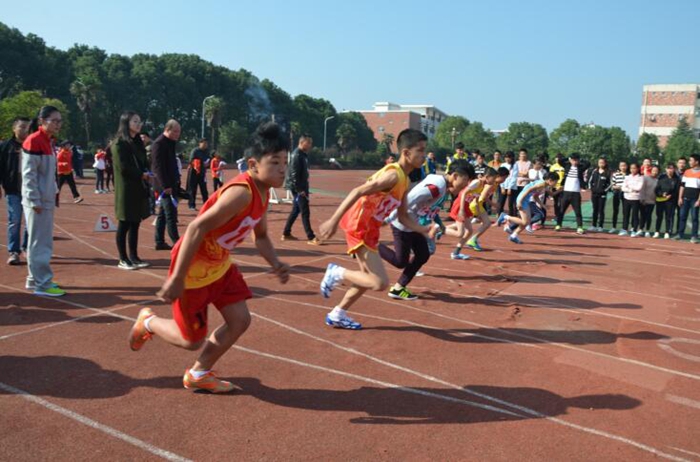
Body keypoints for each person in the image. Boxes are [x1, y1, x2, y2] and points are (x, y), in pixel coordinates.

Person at [128, 122, 291, 393]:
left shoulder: (262, 194)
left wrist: (276, 263)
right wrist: (178, 278)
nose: (283, 169)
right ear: (253, 164)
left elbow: (260, 236)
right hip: (192, 269)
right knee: (190, 339)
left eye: (285, 162)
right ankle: (148, 321)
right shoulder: (241, 193)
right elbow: (196, 227)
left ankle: (199, 373)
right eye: (275, 162)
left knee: (240, 320)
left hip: (220, 266)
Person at [318, 129, 435, 330]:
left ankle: (337, 314)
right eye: (421, 151)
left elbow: (403, 216)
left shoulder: (405, 180)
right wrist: (333, 220)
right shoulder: (393, 175)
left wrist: (423, 229)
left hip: (371, 230)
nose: (424, 155)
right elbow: (358, 190)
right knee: (379, 282)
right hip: (359, 226)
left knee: (366, 278)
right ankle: (336, 273)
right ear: (406, 152)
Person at [379, 160, 473, 300]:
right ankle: (371, 245)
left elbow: (429, 208)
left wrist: (439, 224)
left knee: (422, 254)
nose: (466, 185)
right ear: (455, 175)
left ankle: (399, 288)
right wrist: (388, 219)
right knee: (400, 262)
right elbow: (409, 199)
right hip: (403, 224)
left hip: (414, 225)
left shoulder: (441, 185)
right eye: (465, 180)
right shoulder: (436, 186)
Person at [21, 106, 66, 296]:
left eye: (59, 121)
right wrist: (34, 200)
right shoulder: (34, 141)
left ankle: (34, 279)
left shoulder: (48, 141)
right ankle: (43, 284)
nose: (58, 124)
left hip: (45, 198)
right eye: (54, 120)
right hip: (38, 201)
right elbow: (28, 175)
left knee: (38, 241)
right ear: (42, 121)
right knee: (41, 244)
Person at [112, 111, 152, 270]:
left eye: (139, 121)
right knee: (124, 223)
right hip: (126, 189)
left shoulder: (137, 142)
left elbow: (143, 161)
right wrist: (141, 174)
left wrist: (147, 172)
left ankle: (134, 256)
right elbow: (123, 167)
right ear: (126, 123)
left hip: (138, 187)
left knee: (135, 223)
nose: (138, 124)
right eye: (135, 121)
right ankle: (123, 258)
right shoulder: (119, 143)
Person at [446, 167, 508, 256]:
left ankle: (456, 252)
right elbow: (463, 193)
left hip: (467, 206)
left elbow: (478, 197)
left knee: (469, 231)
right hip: (460, 205)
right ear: (487, 177)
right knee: (460, 233)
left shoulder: (483, 185)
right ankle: (439, 229)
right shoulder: (477, 182)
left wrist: (477, 211)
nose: (494, 180)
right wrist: (462, 210)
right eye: (493, 178)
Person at [0, 117, 30, 265]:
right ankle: (13, 251)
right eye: (22, 127)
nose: (25, 130)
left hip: (30, 190)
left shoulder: (32, 145)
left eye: (28, 127)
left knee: (30, 222)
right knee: (15, 220)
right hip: (12, 189)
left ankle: (27, 248)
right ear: (14, 128)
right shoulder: (5, 146)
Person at [497, 173, 559, 244]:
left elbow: (535, 196)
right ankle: (504, 216)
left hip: (525, 200)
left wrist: (543, 205)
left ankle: (514, 236)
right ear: (550, 180)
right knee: (525, 222)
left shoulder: (544, 185)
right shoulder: (541, 184)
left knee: (527, 221)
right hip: (523, 199)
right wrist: (520, 201)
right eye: (556, 182)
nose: (556, 183)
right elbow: (528, 190)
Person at [282, 134, 320, 245]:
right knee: (305, 211)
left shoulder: (303, 155)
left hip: (301, 186)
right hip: (298, 188)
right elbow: (294, 175)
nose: (310, 146)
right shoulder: (297, 155)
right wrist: (299, 190)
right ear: (302, 142)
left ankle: (286, 233)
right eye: (309, 143)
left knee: (296, 210)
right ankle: (311, 237)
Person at [152, 119, 182, 251]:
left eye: (179, 132)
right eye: (175, 131)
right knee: (171, 214)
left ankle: (159, 241)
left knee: (163, 214)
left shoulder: (170, 143)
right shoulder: (159, 144)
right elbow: (157, 167)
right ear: (167, 129)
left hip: (171, 183)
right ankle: (177, 242)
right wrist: (165, 186)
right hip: (165, 186)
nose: (177, 134)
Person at [555, 153, 586, 234]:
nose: (575, 162)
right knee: (561, 210)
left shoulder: (581, 168)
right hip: (566, 192)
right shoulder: (567, 166)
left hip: (575, 193)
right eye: (573, 160)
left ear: (579, 160)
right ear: (570, 160)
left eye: (576, 160)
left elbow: (588, 163)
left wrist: (580, 160)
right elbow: (560, 160)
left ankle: (579, 227)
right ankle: (558, 224)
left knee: (578, 211)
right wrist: (568, 158)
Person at [676, 153, 700, 243]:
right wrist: (680, 198)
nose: (689, 162)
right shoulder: (687, 172)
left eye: (691, 160)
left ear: (696, 162)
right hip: (685, 198)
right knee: (682, 216)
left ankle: (694, 236)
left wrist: (698, 200)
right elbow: (682, 186)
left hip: (695, 199)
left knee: (694, 218)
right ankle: (680, 234)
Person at [654, 164, 679, 239]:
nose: (670, 170)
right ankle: (657, 231)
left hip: (670, 201)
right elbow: (657, 189)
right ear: (666, 169)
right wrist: (661, 194)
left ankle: (667, 232)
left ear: (674, 169)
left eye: (671, 168)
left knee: (668, 216)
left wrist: (670, 195)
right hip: (660, 200)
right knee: (659, 216)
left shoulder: (677, 179)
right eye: (668, 168)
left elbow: (677, 191)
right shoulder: (661, 177)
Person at [620, 162, 643, 237]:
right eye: (631, 168)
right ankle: (624, 229)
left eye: (634, 168)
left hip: (636, 198)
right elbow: (623, 188)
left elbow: (639, 188)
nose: (632, 170)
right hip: (627, 198)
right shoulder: (627, 177)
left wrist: (629, 187)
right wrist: (630, 189)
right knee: (626, 214)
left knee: (635, 215)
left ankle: (634, 230)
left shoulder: (640, 178)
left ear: (638, 169)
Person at [587, 157, 611, 232]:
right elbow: (590, 182)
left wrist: (604, 190)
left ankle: (600, 226)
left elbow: (610, 184)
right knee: (595, 210)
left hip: (602, 195)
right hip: (594, 194)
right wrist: (592, 189)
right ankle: (593, 225)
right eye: (600, 162)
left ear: (605, 163)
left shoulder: (608, 172)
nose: (601, 164)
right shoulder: (594, 171)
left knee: (601, 210)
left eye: (602, 162)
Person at [187, 138, 210, 210]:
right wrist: (200, 163)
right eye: (204, 143)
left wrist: (207, 164)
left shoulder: (207, 151)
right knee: (192, 189)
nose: (206, 145)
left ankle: (206, 205)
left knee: (204, 189)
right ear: (200, 143)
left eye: (207, 143)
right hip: (193, 172)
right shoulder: (195, 151)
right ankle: (191, 205)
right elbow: (191, 160)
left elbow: (209, 160)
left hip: (202, 172)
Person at [639, 166, 659, 237]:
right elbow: (642, 189)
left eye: (656, 171)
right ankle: (641, 229)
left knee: (649, 215)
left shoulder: (657, 180)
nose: (655, 172)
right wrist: (642, 198)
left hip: (652, 201)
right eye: (654, 170)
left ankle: (647, 230)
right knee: (642, 215)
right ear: (651, 171)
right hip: (644, 200)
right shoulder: (646, 178)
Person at [608, 161, 627, 234]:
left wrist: (622, 187)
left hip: (626, 193)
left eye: (624, 165)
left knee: (625, 211)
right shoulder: (615, 174)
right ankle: (614, 227)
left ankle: (624, 228)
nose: (623, 167)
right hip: (617, 193)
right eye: (621, 166)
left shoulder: (628, 175)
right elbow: (613, 186)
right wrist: (620, 187)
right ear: (619, 167)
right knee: (615, 210)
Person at [501, 151, 519, 216]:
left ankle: (512, 217)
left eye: (509, 157)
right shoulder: (503, 165)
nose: (507, 159)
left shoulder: (515, 165)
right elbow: (500, 176)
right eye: (506, 157)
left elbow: (514, 177)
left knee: (511, 204)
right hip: (503, 186)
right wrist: (502, 187)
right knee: (501, 202)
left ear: (512, 158)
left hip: (512, 187)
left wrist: (509, 188)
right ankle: (500, 215)